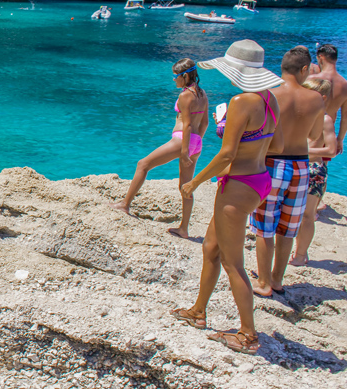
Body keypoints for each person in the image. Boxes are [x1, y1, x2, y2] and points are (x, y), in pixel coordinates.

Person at [173, 39, 284, 355]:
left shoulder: (240, 102)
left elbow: (226, 155)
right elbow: (275, 145)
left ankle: (248, 335)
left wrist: (194, 182)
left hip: (237, 183)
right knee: (211, 247)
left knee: (234, 263)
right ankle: (198, 312)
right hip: (259, 179)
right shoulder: (269, 99)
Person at [248, 46, 325, 297]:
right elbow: (314, 135)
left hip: (271, 163)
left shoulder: (270, 94)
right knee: (287, 227)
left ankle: (264, 283)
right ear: (304, 69)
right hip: (301, 167)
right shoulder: (316, 99)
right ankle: (278, 281)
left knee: (264, 226)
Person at [111, 58, 209, 238]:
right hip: (196, 142)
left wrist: (185, 150)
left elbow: (186, 124)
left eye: (176, 76)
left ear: (185, 76)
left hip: (182, 141)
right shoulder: (202, 94)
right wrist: (195, 144)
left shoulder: (185, 95)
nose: (174, 80)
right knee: (186, 186)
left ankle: (125, 204)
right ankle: (184, 229)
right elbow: (204, 123)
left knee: (143, 164)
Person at [290, 79, 337, 266]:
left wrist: (305, 152)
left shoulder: (325, 120)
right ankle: (294, 248)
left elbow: (331, 150)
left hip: (314, 170)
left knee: (307, 215)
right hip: (296, 166)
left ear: (322, 97)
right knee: (293, 212)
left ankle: (301, 254)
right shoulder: (298, 115)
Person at [307, 45, 345, 211]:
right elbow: (345, 116)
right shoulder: (344, 84)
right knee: (323, 165)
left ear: (320, 57)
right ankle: (316, 203)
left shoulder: (314, 80)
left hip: (309, 129)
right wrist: (340, 139)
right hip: (329, 132)